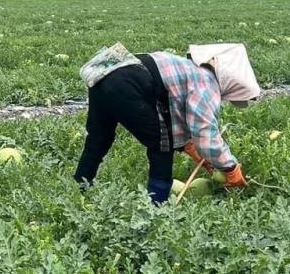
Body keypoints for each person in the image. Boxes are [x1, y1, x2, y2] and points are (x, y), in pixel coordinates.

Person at [74, 42, 260, 204]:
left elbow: (171, 111)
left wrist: (188, 147)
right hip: (129, 82)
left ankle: (79, 187)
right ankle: (157, 205)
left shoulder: (189, 69)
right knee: (161, 147)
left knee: (98, 139)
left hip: (105, 75)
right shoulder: (207, 84)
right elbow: (205, 134)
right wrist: (230, 167)